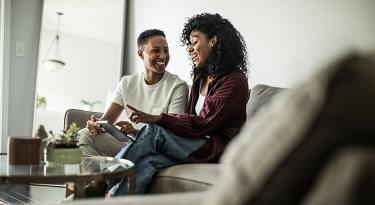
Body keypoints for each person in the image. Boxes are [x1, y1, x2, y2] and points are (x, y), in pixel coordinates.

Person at [107, 13, 249, 196]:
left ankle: (103, 179)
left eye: (195, 41)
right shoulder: (200, 77)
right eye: (189, 43)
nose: (190, 49)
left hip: (217, 149)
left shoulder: (235, 81)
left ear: (213, 41)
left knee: (154, 130)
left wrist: (159, 119)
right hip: (196, 145)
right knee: (147, 162)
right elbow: (191, 121)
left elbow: (204, 123)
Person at [79, 29, 189, 157]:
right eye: (156, 50)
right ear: (141, 54)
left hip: (157, 148)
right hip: (130, 144)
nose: (163, 56)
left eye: (166, 50)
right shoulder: (126, 83)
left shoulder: (178, 86)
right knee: (84, 135)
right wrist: (95, 124)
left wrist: (136, 132)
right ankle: (97, 176)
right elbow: (106, 120)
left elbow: (171, 133)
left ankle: (98, 176)